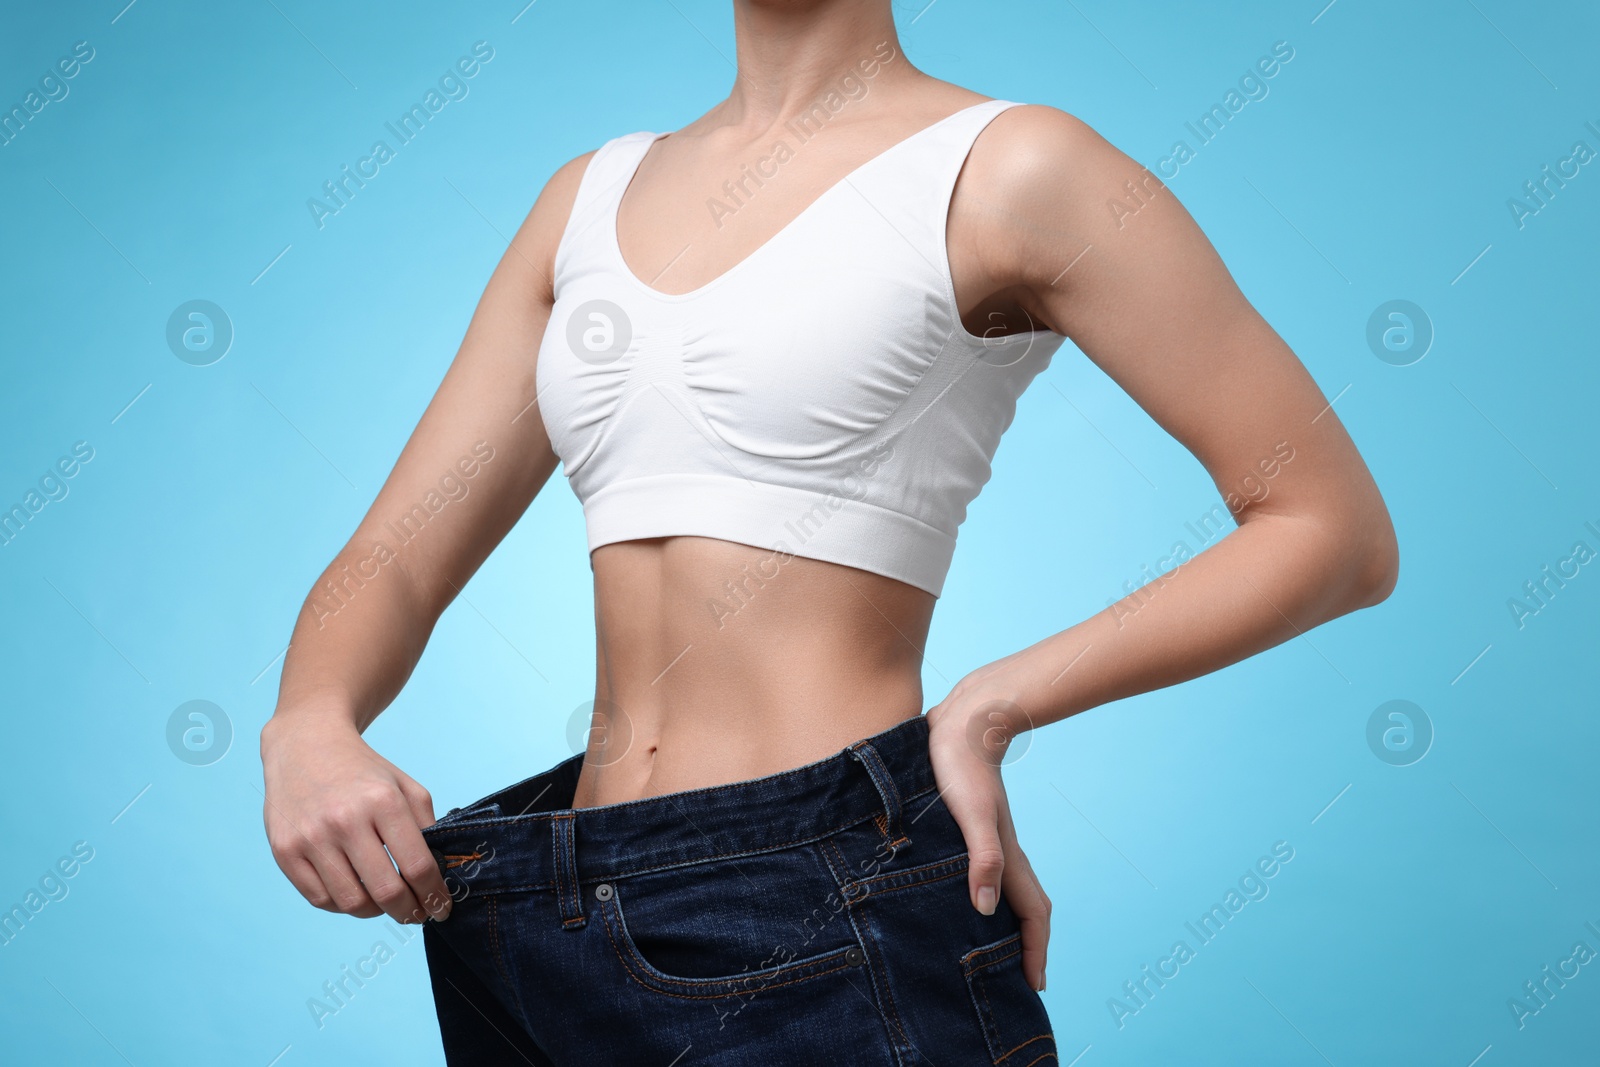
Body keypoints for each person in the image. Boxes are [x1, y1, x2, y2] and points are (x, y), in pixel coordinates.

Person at [259, 2, 1399, 1062]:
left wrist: (994, 701)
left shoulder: (1013, 167)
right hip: (533, 911)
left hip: (824, 885)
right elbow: (396, 552)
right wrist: (308, 722)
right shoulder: (584, 199)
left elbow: (1331, 527)